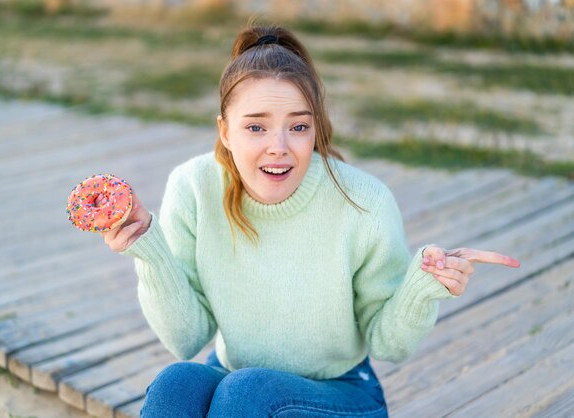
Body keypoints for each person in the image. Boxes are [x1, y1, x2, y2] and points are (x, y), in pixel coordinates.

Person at [98, 24, 521, 418]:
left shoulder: (363, 202)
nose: (279, 147)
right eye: (256, 128)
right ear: (225, 132)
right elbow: (185, 339)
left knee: (248, 392)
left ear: (314, 128)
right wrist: (148, 248)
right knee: (178, 384)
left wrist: (423, 288)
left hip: (341, 392)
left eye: (297, 126)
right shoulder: (192, 187)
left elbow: (387, 345)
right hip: (235, 381)